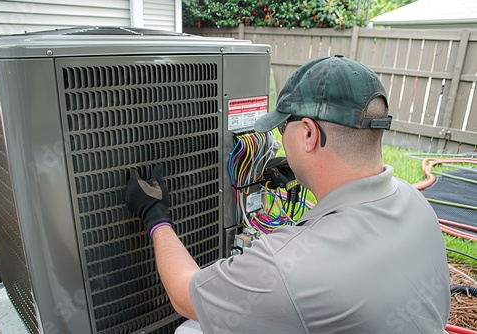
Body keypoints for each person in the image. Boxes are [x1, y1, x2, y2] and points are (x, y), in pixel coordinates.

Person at [125, 54, 451, 333]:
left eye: (283, 129)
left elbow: (184, 296)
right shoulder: (416, 203)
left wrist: (156, 217)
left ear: (308, 134)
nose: (281, 141)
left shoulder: (289, 266)